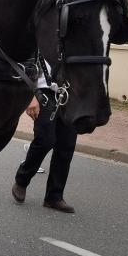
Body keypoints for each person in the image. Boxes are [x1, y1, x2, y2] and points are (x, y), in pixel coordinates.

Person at [12, 63, 77, 213]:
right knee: (45, 140)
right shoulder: (39, 39)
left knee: (67, 144)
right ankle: (22, 179)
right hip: (42, 91)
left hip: (69, 93)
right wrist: (30, 96)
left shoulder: (73, 39)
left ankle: (54, 197)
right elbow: (26, 64)